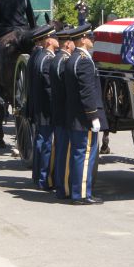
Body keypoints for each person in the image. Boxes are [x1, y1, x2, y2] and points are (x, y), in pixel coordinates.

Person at [64, 24, 106, 205]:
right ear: (82, 39)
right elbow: (87, 92)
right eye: (90, 37)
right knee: (85, 155)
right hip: (84, 118)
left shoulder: (73, 58)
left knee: (78, 154)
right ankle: (81, 194)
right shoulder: (84, 61)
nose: (93, 40)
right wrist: (93, 116)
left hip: (75, 116)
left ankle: (77, 191)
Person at [27, 25, 59, 190]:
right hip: (47, 108)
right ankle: (44, 179)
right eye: (55, 37)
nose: (58, 40)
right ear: (48, 40)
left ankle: (38, 177)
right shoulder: (47, 59)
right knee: (45, 143)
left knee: (41, 141)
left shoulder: (40, 56)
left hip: (40, 107)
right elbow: (49, 89)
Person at [50, 28, 74, 199]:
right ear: (68, 43)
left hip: (58, 110)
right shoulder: (64, 61)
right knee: (64, 152)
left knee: (60, 149)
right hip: (64, 111)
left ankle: (59, 183)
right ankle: (63, 187)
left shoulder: (57, 59)